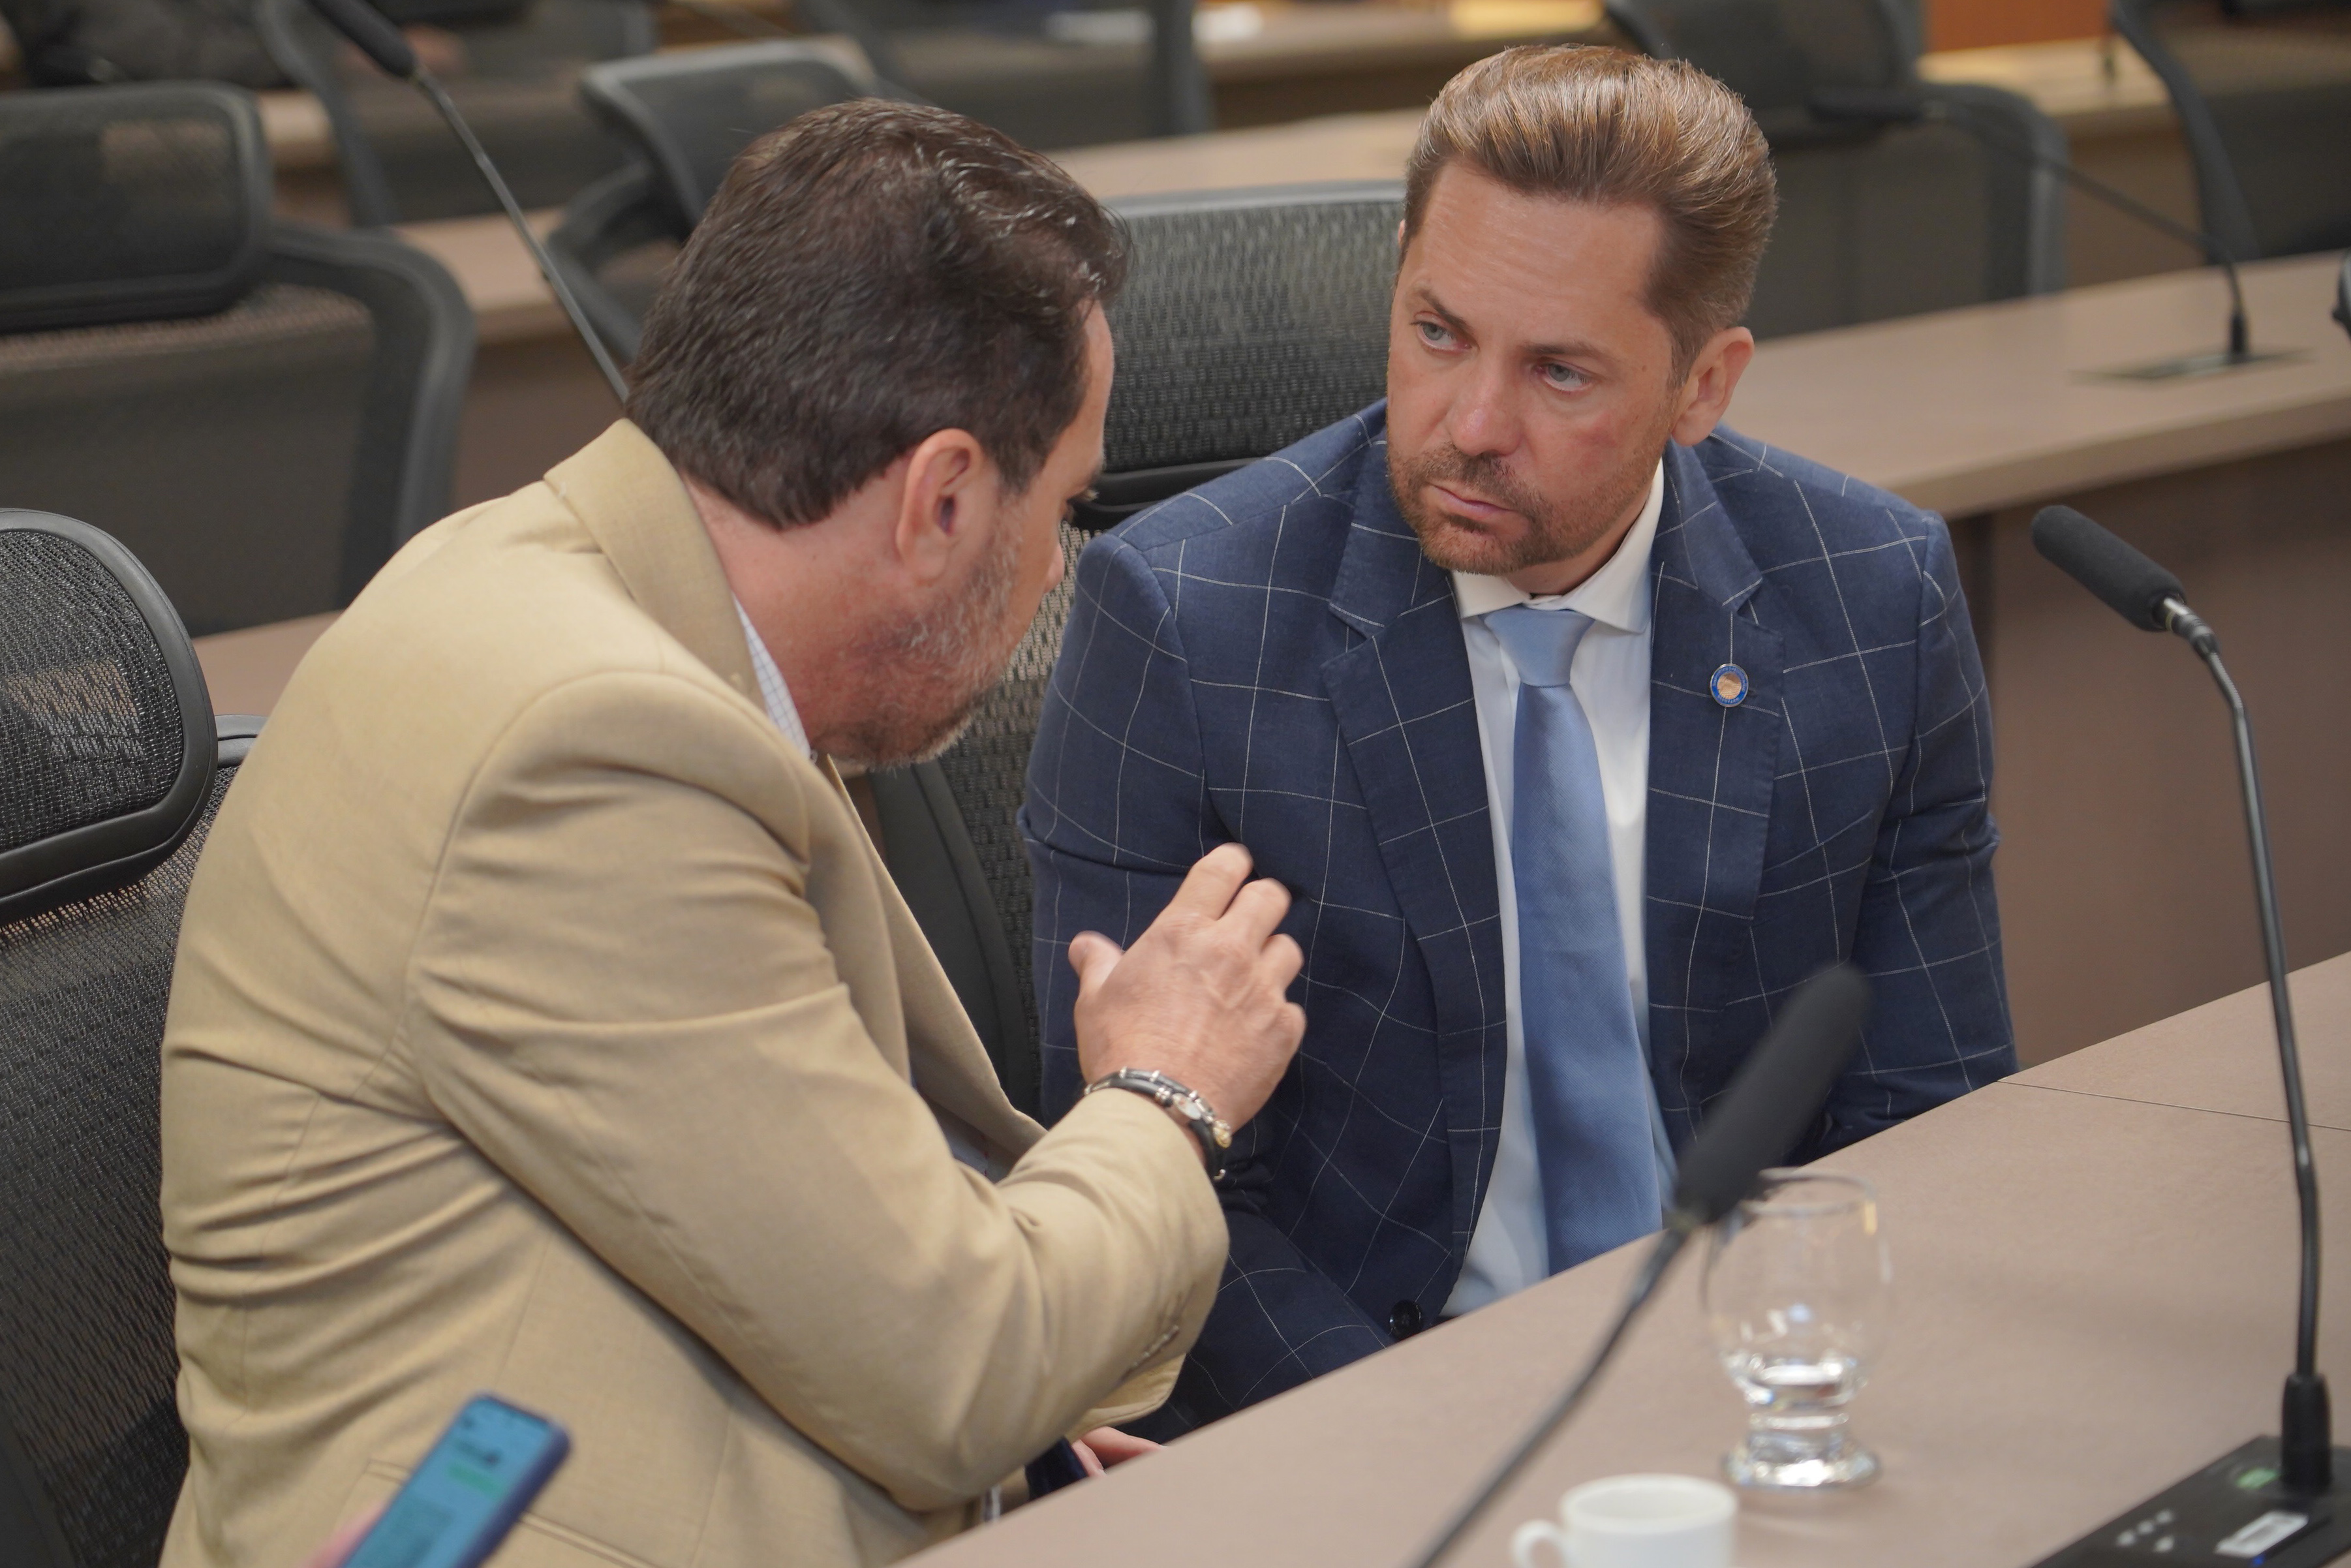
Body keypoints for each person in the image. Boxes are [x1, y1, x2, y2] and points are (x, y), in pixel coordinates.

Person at [159, 100, 1306, 1568]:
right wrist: (1166, 1087)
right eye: (1062, 509)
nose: (1056, 569)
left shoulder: (591, 603)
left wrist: (1011, 1442)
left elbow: (786, 1215)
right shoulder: (590, 745)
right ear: (944, 497)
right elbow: (957, 1368)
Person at [1025, 44, 2016, 1433]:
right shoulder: (1183, 619)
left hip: (1746, 1378)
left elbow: (1933, 1107)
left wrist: (1778, 1374)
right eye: (1437, 333)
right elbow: (1144, 1163)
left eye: (1558, 372)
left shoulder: (1869, 598)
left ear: (1703, 385)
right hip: (1366, 1407)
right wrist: (1443, 1441)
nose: (1471, 425)